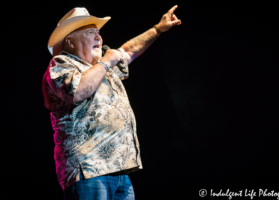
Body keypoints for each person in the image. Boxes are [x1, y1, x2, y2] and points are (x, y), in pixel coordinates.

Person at [42, 5, 181, 200]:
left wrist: (157, 29)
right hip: (87, 171)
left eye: (99, 32)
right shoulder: (61, 65)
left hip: (119, 169)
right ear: (70, 41)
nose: (99, 37)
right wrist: (106, 62)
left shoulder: (101, 67)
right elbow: (78, 91)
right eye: (91, 32)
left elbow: (128, 51)